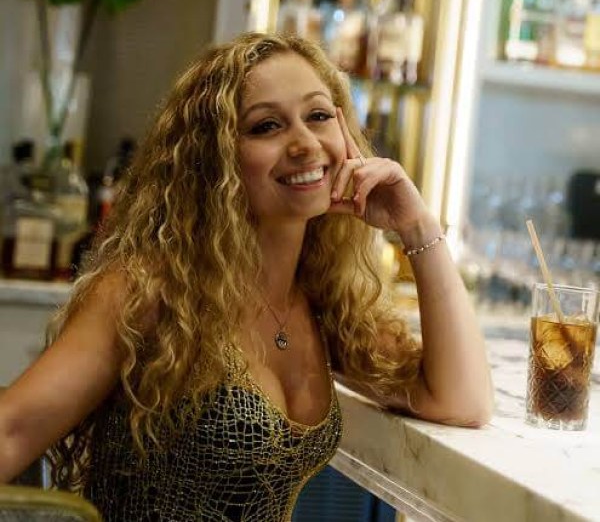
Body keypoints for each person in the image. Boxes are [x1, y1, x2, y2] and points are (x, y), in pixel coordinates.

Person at [0, 32, 493, 521]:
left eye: (318, 116)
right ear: (215, 160)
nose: (304, 143)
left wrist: (417, 226)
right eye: (266, 127)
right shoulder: (150, 289)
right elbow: (11, 432)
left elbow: (461, 401)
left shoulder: (323, 300)